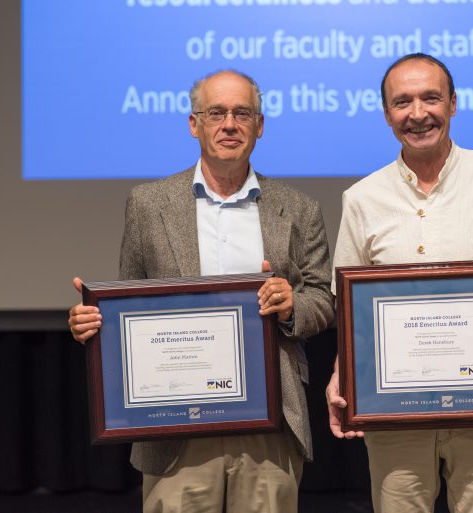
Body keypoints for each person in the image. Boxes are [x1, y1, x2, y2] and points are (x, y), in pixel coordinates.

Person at [68, 70, 334, 513]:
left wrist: (292, 306)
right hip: (175, 426)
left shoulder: (298, 208)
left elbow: (323, 298)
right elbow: (129, 302)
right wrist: (93, 321)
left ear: (260, 125)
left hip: (268, 423)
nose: (229, 124)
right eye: (216, 113)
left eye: (242, 113)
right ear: (195, 124)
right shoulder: (149, 204)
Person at [325, 53, 473, 513]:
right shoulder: (361, 198)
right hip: (395, 412)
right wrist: (343, 376)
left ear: (453, 104)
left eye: (431, 98)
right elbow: (352, 311)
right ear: (386, 113)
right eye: (402, 102)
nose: (417, 114)